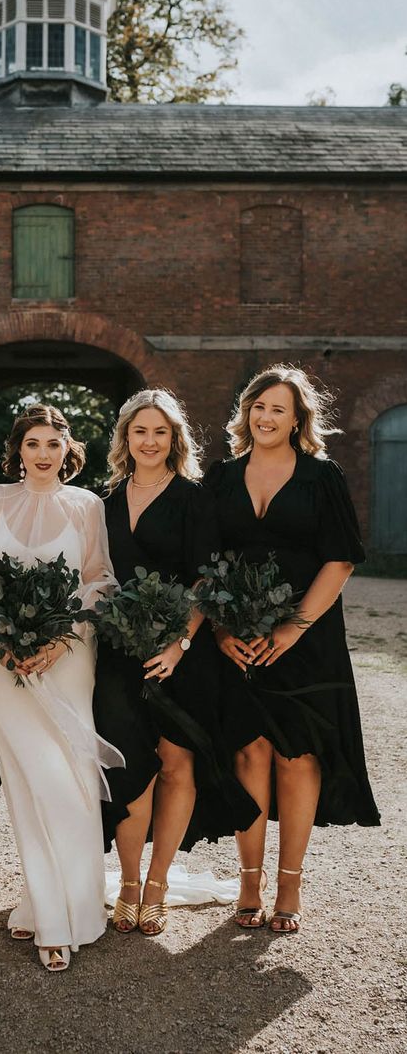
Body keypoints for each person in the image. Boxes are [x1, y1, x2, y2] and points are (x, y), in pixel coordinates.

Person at [205, 364, 381, 934]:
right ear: (245, 412)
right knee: (248, 752)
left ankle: (289, 884)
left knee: (296, 755)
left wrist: (293, 628)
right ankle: (249, 882)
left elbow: (341, 559)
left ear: (298, 418)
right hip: (236, 637)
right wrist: (219, 631)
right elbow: (204, 563)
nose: (265, 417)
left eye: (278, 409)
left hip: (306, 638)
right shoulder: (222, 477)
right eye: (258, 406)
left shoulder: (321, 477)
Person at [0, 404, 122, 972]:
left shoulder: (86, 506)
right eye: (33, 444)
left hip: (68, 657)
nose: (44, 454)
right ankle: (47, 907)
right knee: (31, 782)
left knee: (69, 778)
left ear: (67, 449)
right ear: (18, 449)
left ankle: (70, 909)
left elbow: (99, 579)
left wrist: (63, 635)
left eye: (54, 443)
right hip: (3, 666)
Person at [93, 389, 260, 937]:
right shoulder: (105, 500)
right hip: (118, 654)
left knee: (176, 764)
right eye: (139, 431)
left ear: (174, 438)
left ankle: (157, 886)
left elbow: (206, 578)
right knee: (130, 769)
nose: (149, 441)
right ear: (125, 438)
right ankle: (128, 882)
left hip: (182, 654)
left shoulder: (194, 499)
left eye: (160, 432)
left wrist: (179, 644)